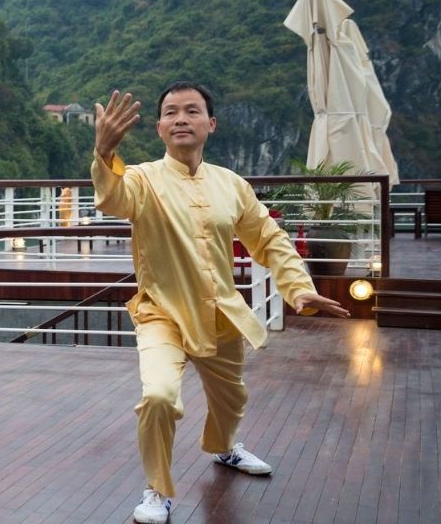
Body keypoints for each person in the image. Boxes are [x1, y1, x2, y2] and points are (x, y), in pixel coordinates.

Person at [91, 81, 349, 524]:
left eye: (192, 111)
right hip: (162, 313)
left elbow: (268, 238)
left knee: (231, 399)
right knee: (158, 396)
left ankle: (225, 448)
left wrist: (297, 287)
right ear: (158, 128)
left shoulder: (231, 185)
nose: (181, 119)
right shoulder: (142, 180)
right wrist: (104, 151)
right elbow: (113, 198)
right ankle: (157, 489)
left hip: (220, 311)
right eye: (171, 112)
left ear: (210, 124)